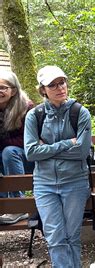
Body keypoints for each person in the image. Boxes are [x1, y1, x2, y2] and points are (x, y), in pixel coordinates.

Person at [24, 66, 92, 267]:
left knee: (72, 236)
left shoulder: (79, 112)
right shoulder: (34, 116)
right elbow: (31, 152)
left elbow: (81, 151)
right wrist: (67, 143)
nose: (59, 87)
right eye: (52, 85)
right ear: (43, 90)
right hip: (44, 185)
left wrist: (48, 148)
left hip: (75, 182)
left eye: (61, 82)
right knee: (55, 238)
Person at [0, 70, 35, 224]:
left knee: (9, 151)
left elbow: (26, 140)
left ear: (13, 90)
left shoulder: (26, 108)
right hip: (5, 158)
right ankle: (3, 205)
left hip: (27, 158)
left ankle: (18, 205)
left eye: (2, 87)